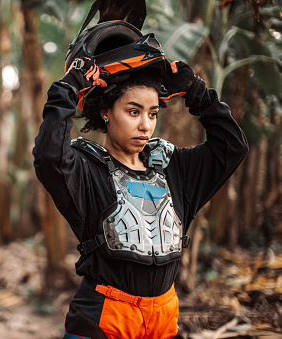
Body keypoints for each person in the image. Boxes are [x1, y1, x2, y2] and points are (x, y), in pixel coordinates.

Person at [32, 20, 248, 339]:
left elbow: (232, 147)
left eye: (152, 113)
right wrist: (69, 86)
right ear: (106, 112)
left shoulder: (175, 169)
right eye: (133, 112)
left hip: (164, 316)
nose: (146, 125)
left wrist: (196, 91)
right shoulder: (85, 170)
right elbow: (49, 155)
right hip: (104, 317)